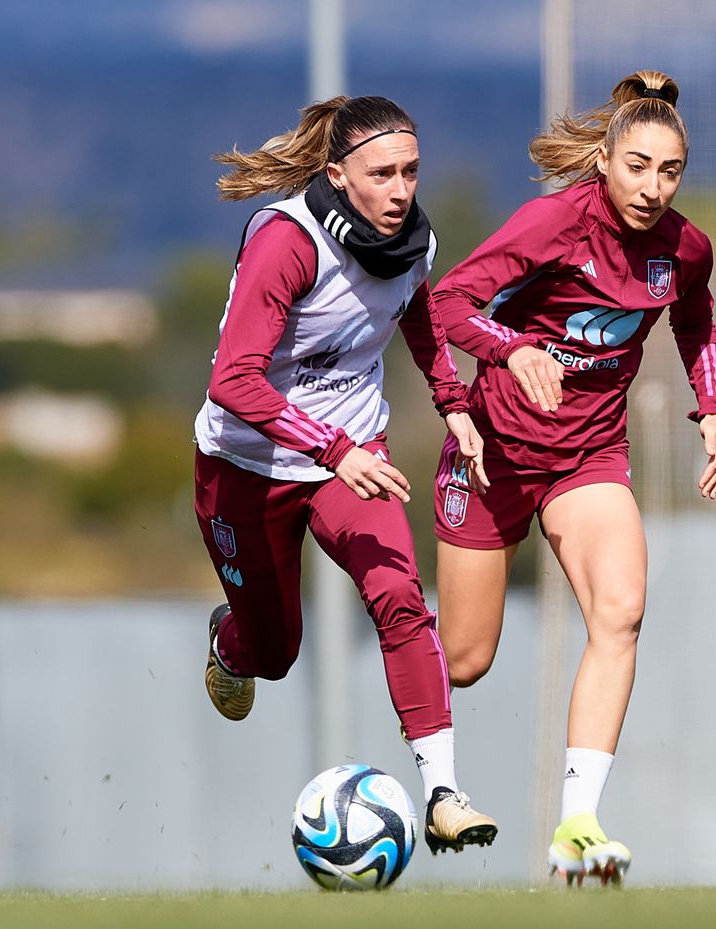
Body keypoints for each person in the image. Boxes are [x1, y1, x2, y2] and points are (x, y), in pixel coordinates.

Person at [430, 71, 716, 885]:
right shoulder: (554, 223)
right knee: (464, 659)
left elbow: (695, 313)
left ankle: (577, 824)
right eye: (637, 166)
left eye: (670, 171)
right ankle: (416, 755)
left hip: (586, 458)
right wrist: (512, 347)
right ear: (603, 159)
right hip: (491, 455)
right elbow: (445, 301)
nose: (653, 187)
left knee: (622, 610)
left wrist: (714, 407)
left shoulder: (683, 248)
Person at [194, 95, 497, 855]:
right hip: (246, 466)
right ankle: (231, 644)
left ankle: (443, 792)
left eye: (412, 172)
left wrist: (452, 401)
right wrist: (332, 450)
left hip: (351, 460)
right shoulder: (288, 243)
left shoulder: (413, 243)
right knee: (276, 652)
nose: (401, 190)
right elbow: (234, 381)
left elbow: (418, 317)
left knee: (401, 597)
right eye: (383, 173)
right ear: (336, 174)